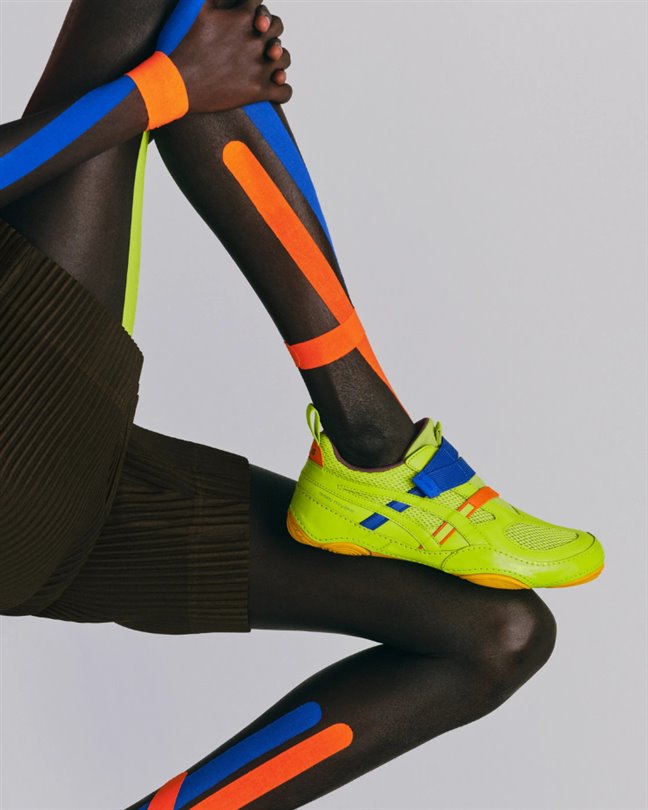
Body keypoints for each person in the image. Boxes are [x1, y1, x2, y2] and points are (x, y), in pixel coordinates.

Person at [0, 1, 604, 807]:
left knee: (493, 635)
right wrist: (166, 90)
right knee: (165, 23)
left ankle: (374, 447)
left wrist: (177, 84)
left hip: (59, 507)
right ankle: (375, 446)